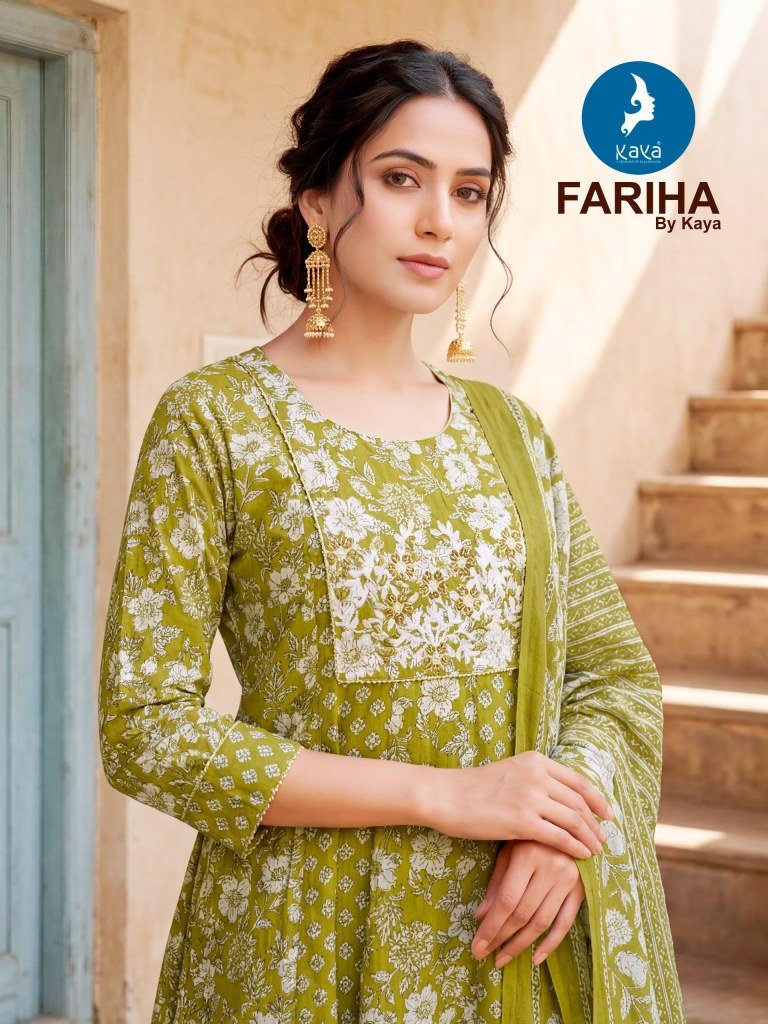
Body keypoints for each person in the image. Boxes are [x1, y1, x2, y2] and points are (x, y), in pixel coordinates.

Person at [98, 39, 688, 1024]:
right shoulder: (217, 420)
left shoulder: (511, 434)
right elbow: (144, 728)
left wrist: (560, 827)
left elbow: (612, 678)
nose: (438, 220)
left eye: (470, 192)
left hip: (506, 939)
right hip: (297, 940)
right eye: (402, 178)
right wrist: (444, 794)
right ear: (318, 200)